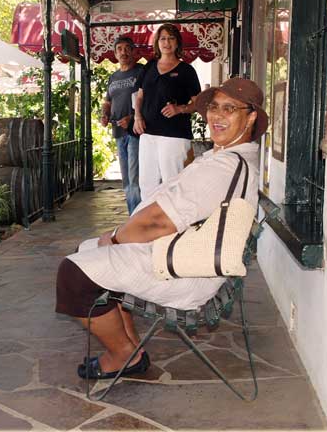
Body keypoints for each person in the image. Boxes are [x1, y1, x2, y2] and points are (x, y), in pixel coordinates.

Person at [56, 78, 269, 380]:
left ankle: (121, 354)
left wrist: (116, 239)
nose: (217, 116)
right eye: (213, 107)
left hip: (183, 270)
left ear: (250, 117)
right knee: (87, 253)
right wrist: (117, 238)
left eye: (229, 109)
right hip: (181, 251)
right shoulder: (229, 156)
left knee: (72, 274)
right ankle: (131, 351)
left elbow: (158, 222)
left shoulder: (224, 167)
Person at [133, 23, 201, 200]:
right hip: (148, 133)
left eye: (171, 38)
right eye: (163, 38)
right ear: (157, 42)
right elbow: (139, 96)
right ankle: (149, 224)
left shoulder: (187, 70)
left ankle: (175, 226)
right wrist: (137, 117)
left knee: (173, 183)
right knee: (147, 184)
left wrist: (180, 108)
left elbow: (199, 103)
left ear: (177, 42)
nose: (167, 42)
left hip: (174, 135)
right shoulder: (148, 67)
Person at [100, 37, 144, 214]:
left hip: (135, 131)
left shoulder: (141, 71)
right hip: (118, 132)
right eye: (120, 49)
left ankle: (136, 218)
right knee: (126, 180)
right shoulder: (113, 76)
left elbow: (147, 100)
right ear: (115, 53)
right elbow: (107, 101)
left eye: (127, 48)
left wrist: (131, 118)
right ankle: (132, 215)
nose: (124, 52)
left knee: (135, 179)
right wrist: (104, 114)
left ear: (133, 52)